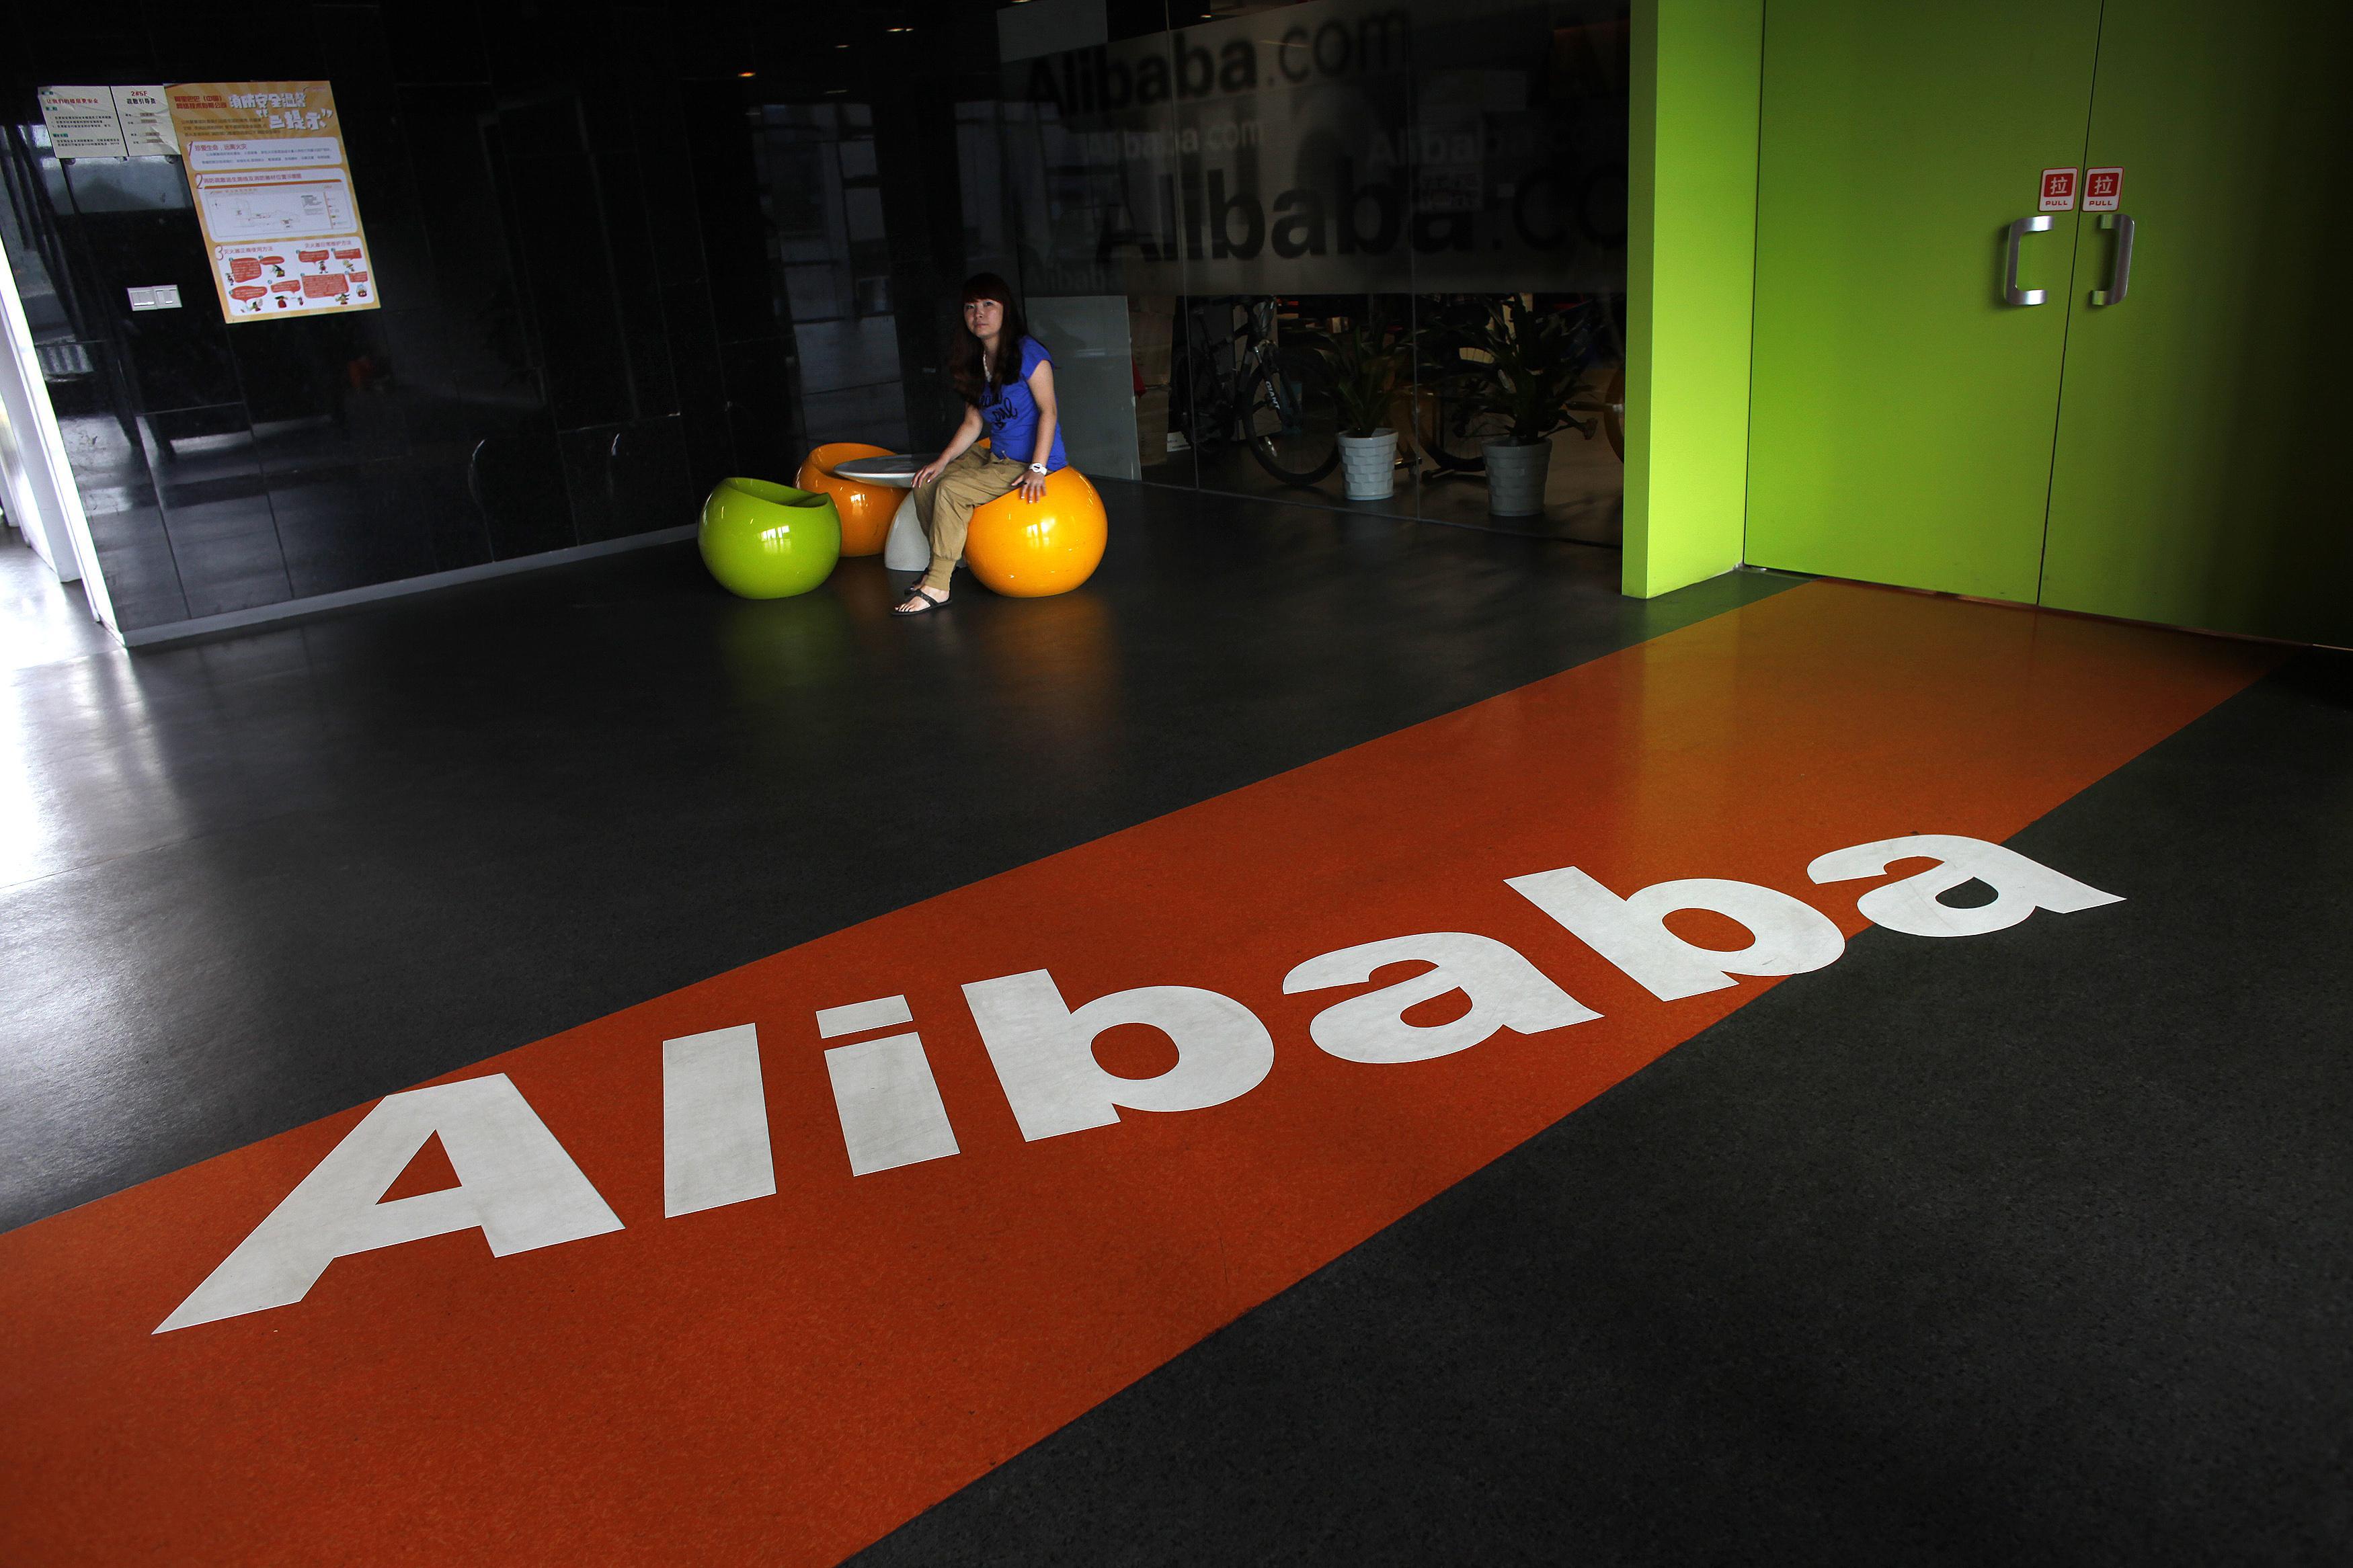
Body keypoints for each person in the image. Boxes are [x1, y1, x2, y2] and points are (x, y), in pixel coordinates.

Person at [893, 274, 1066, 614]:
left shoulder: (1029, 354)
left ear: (1006, 310)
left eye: (989, 304)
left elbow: (1049, 412)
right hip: (996, 454)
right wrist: (941, 462)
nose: (979, 314)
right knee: (928, 482)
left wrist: (1037, 468)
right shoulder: (977, 361)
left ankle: (938, 585)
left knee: (952, 490)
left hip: (1029, 461)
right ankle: (947, 561)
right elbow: (973, 423)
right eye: (970, 307)